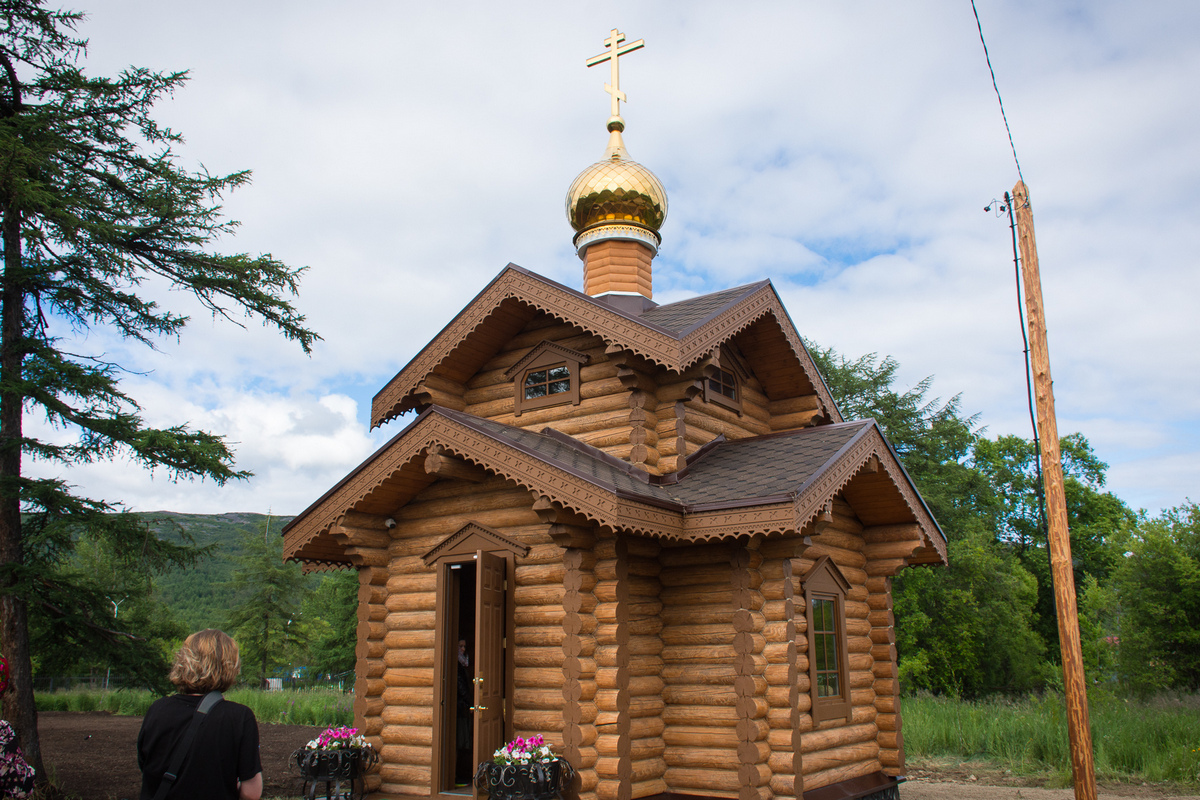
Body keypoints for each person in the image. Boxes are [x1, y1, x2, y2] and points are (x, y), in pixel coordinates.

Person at [137, 630, 263, 800]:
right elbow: (251, 793)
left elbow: (147, 766)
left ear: (184, 661)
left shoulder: (157, 709)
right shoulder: (240, 717)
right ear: (229, 666)